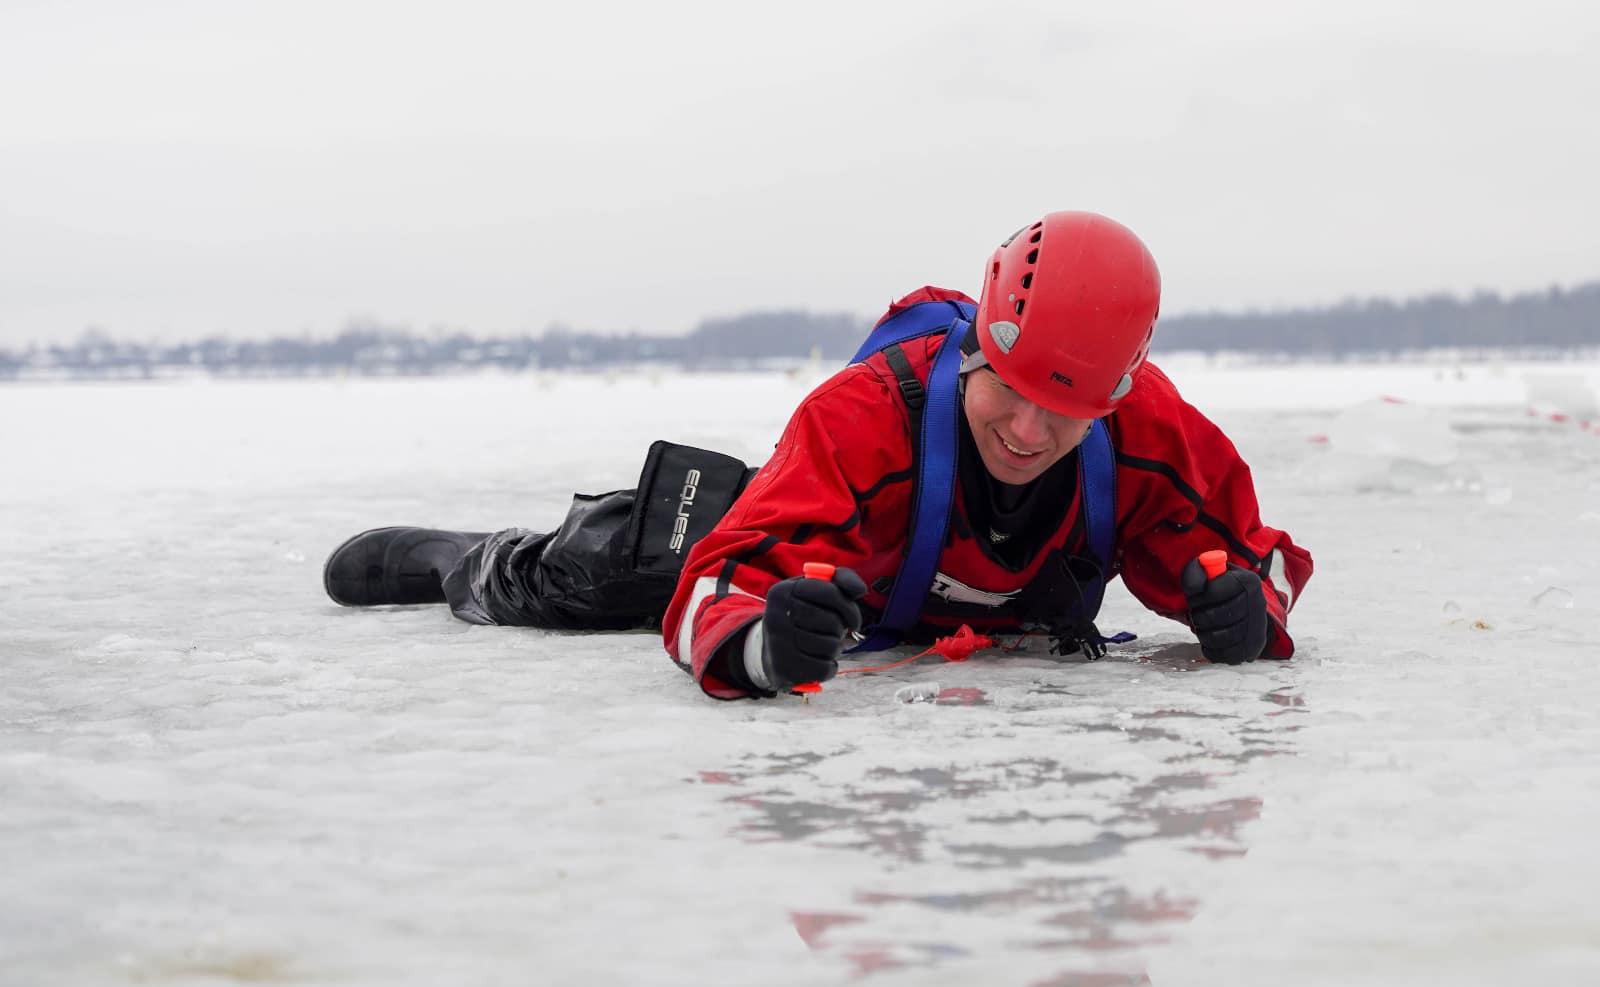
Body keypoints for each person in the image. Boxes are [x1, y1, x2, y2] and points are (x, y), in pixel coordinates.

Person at [323, 211, 1312, 700]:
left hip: (972, 604)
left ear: (1113, 397)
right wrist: (765, 643)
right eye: (1008, 390)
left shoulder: (1151, 432)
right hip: (839, 555)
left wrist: (1243, 608)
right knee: (638, 566)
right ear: (976, 345)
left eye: (1063, 411)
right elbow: (718, 587)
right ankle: (477, 559)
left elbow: (1250, 555)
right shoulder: (862, 418)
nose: (1025, 429)